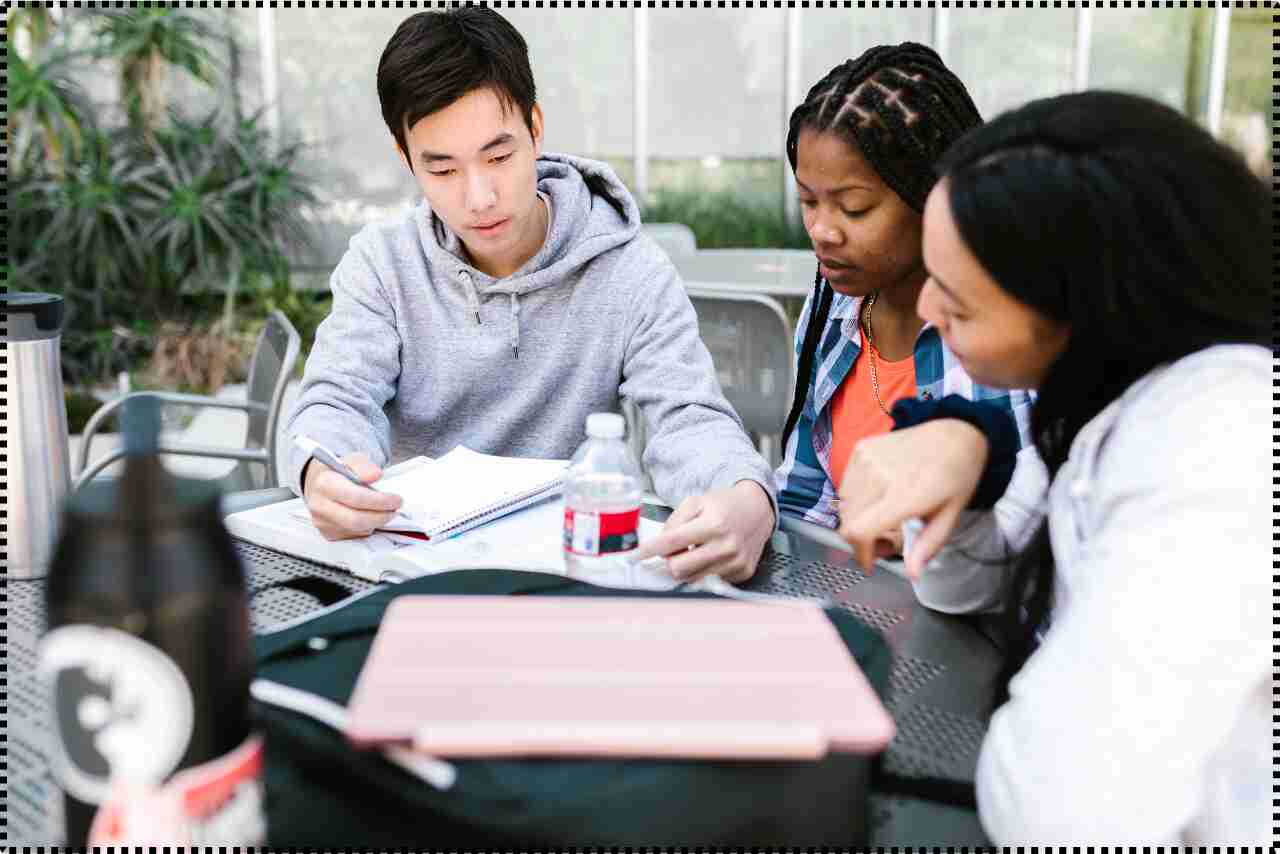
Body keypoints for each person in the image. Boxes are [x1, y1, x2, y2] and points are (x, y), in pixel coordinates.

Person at [837, 91, 1269, 844]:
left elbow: (1064, 807)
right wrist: (972, 460)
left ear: (1091, 307)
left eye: (962, 304)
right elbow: (962, 586)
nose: (931, 311)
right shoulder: (1102, 397)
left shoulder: (1216, 449)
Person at [284, 8, 775, 583]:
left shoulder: (628, 269)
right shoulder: (382, 264)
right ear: (405, 157)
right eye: (442, 171)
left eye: (499, 156)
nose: (480, 196)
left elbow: (689, 417)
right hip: (412, 575)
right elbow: (335, 401)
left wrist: (746, 499)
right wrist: (324, 470)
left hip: (563, 572)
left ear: (536, 127)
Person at [771, 44, 1034, 541]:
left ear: (934, 195)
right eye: (808, 201)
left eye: (854, 208)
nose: (823, 230)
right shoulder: (833, 307)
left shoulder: (1009, 329)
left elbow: (1020, 537)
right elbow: (805, 502)